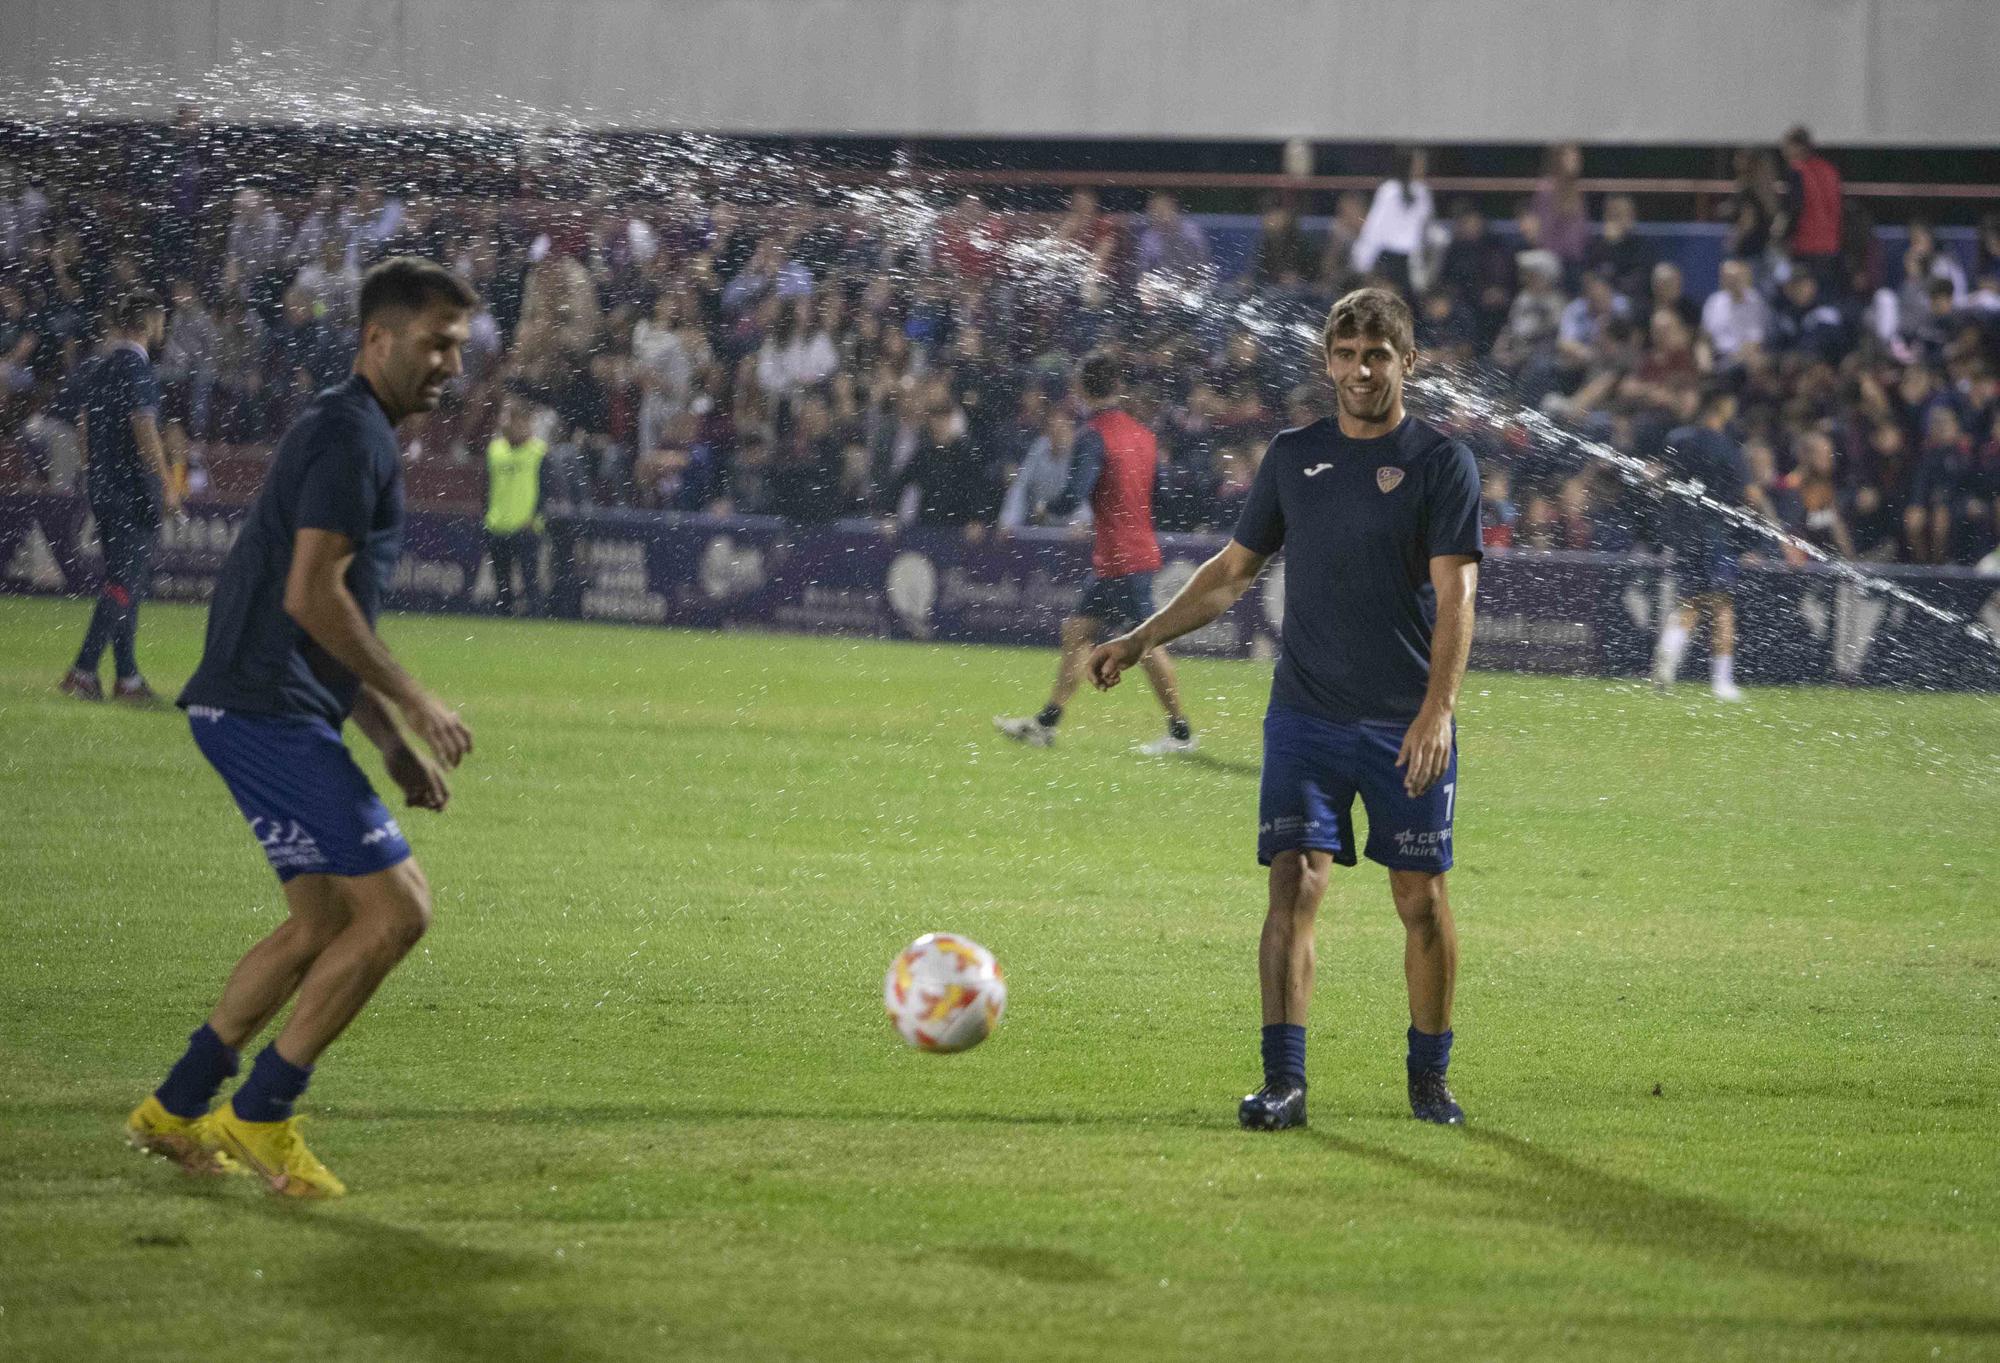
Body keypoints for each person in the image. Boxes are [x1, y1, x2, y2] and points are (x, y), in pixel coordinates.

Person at [1088, 288, 1483, 1128]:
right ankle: (1284, 1082)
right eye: (1345, 355)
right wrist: (1139, 636)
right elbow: (1232, 573)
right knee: (1292, 886)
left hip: (1401, 722)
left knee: (1419, 899)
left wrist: (1437, 709)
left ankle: (1429, 1076)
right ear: (1327, 362)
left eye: (1377, 355)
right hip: (1304, 715)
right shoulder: (1293, 455)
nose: (1360, 370)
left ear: (1407, 362)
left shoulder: (1441, 462)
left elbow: (1457, 597)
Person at [127, 257, 479, 1199]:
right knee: (399, 909)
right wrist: (414, 700)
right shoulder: (350, 437)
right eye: (435, 342)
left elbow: (322, 616)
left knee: (325, 918)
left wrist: (386, 738)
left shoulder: (354, 430)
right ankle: (264, 1111)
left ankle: (177, 1105)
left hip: (261, 701)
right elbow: (311, 593)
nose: (451, 361)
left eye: (459, 344)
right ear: (378, 337)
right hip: (260, 707)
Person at [995, 350, 1193, 756]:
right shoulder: (1144, 435)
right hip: (1129, 552)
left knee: (1147, 644)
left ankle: (1181, 734)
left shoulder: (1093, 435)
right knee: (1077, 632)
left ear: (1081, 389)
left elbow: (1073, 496)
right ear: (1119, 387)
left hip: (1121, 558)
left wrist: (1044, 508)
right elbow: (1165, 496)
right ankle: (1046, 723)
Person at [57, 290, 177, 704]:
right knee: (125, 583)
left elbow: (83, 429)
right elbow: (144, 429)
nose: (163, 328)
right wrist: (164, 482)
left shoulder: (100, 367)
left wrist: (97, 475)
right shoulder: (137, 370)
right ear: (145, 323)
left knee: (124, 582)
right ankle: (83, 671)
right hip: (132, 492)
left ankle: (127, 678)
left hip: (105, 490)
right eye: (160, 320)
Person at [1650, 382, 1778, 701]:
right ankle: (1722, 683)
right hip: (1714, 535)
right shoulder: (1728, 448)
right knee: (1722, 606)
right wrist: (1773, 525)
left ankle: (1668, 652)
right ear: (1721, 407)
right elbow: (1751, 495)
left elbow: (1662, 480)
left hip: (1683, 533)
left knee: (1690, 602)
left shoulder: (1679, 440)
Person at [484, 396, 547, 615]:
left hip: (526, 527)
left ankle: (535, 624)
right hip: (498, 525)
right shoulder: (494, 450)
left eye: (522, 421)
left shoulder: (538, 452)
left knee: (531, 583)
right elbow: (486, 488)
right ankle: (504, 623)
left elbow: (546, 491)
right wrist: (487, 517)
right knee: (502, 587)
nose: (516, 426)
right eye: (512, 420)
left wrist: (535, 516)